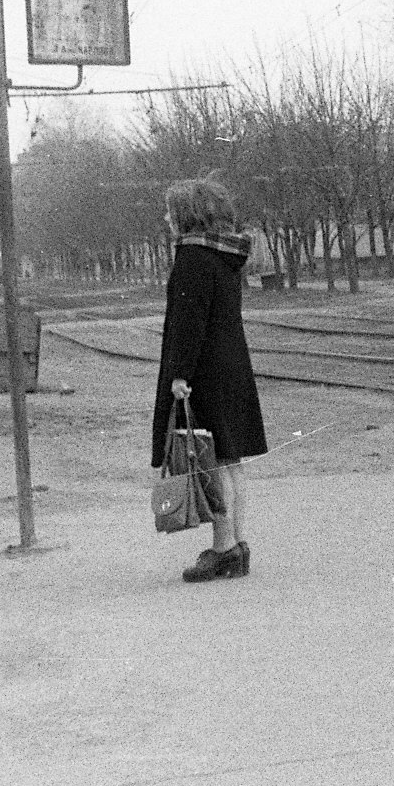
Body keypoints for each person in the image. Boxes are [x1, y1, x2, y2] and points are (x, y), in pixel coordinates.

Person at [152, 178, 268, 583]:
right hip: (231, 368)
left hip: (203, 374)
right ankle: (237, 544)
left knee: (211, 463)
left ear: (187, 215)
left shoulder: (191, 259)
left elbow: (188, 324)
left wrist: (180, 375)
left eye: (170, 211)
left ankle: (222, 550)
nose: (166, 218)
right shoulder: (223, 256)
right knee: (231, 462)